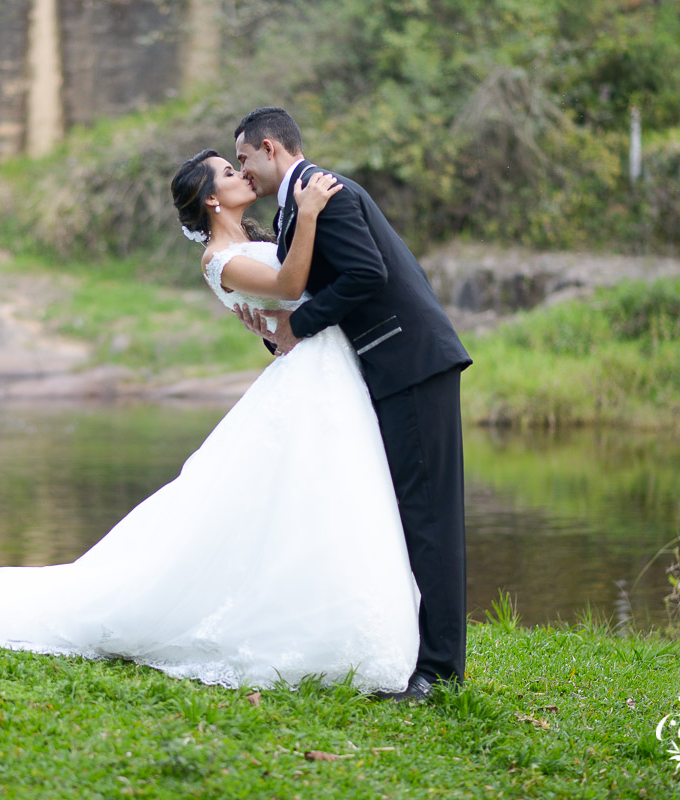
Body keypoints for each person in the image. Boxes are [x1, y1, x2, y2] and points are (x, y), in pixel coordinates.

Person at [0, 151, 422, 695]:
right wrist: (310, 217)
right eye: (228, 171)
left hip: (313, 372)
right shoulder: (221, 259)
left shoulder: (253, 239)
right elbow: (288, 289)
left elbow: (288, 307)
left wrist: (278, 317)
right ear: (211, 200)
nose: (241, 173)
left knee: (306, 497)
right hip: (307, 377)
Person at [232, 107, 472, 702]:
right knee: (410, 513)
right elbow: (313, 285)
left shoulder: (325, 192)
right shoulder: (295, 208)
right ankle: (422, 657)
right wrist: (277, 329)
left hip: (412, 362)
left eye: (243, 158)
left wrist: (298, 325)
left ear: (269, 147)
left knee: (431, 518)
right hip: (389, 368)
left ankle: (441, 674)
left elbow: (366, 273)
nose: (243, 170)